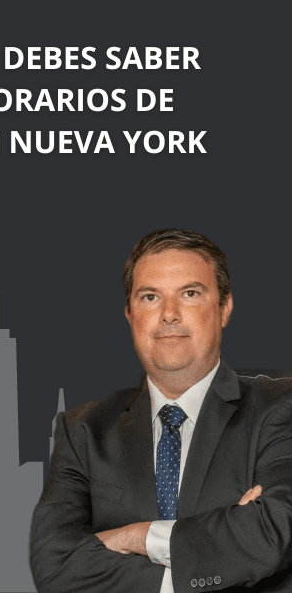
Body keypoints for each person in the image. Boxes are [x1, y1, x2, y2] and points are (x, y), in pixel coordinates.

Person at [30, 228, 292, 592]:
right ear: (129, 313)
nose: (169, 314)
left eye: (189, 293)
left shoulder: (280, 407)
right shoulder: (83, 431)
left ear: (225, 308)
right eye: (150, 297)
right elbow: (54, 565)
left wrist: (135, 537)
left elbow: (275, 532)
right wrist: (226, 537)